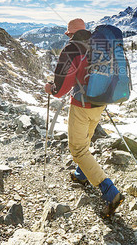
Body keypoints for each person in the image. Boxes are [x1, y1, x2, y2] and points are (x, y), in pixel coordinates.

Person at [44, 18, 124, 218]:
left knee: (78, 150)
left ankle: (110, 191)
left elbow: (61, 88)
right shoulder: (97, 45)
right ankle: (81, 175)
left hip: (81, 105)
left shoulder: (72, 49)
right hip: (100, 103)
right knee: (85, 140)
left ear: (70, 34)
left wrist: (50, 89)